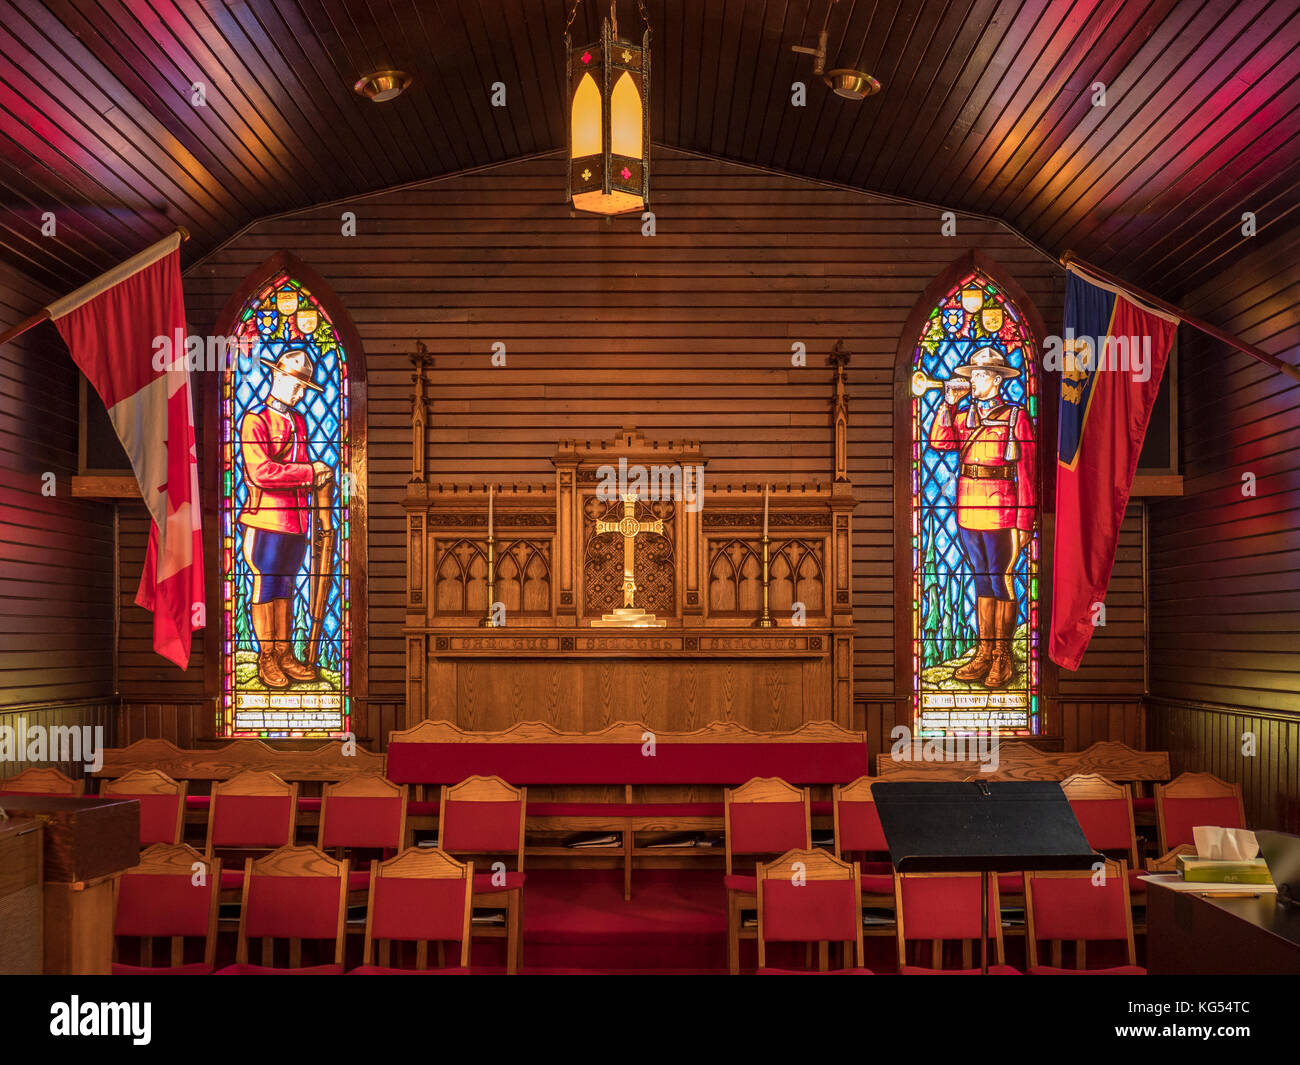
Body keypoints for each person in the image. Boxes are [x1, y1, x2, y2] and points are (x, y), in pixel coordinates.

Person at [927, 348, 1036, 688]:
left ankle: (1002, 657)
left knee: (1002, 579)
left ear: (997, 379)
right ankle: (984, 652)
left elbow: (1027, 470)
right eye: (972, 375)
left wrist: (1024, 521)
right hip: (969, 508)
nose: (972, 381)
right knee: (980, 579)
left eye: (979, 375)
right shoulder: (966, 416)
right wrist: (947, 404)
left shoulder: (1015, 416)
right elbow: (939, 440)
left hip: (1002, 510)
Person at [238, 345, 334, 689]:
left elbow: (298, 469)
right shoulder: (255, 420)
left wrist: (316, 477)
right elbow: (262, 471)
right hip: (264, 520)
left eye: (303, 388)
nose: (298, 392)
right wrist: (310, 471)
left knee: (287, 586)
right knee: (265, 585)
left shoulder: (300, 421)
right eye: (293, 383)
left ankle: (284, 652)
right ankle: (266, 656)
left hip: (297, 523)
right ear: (275, 375)